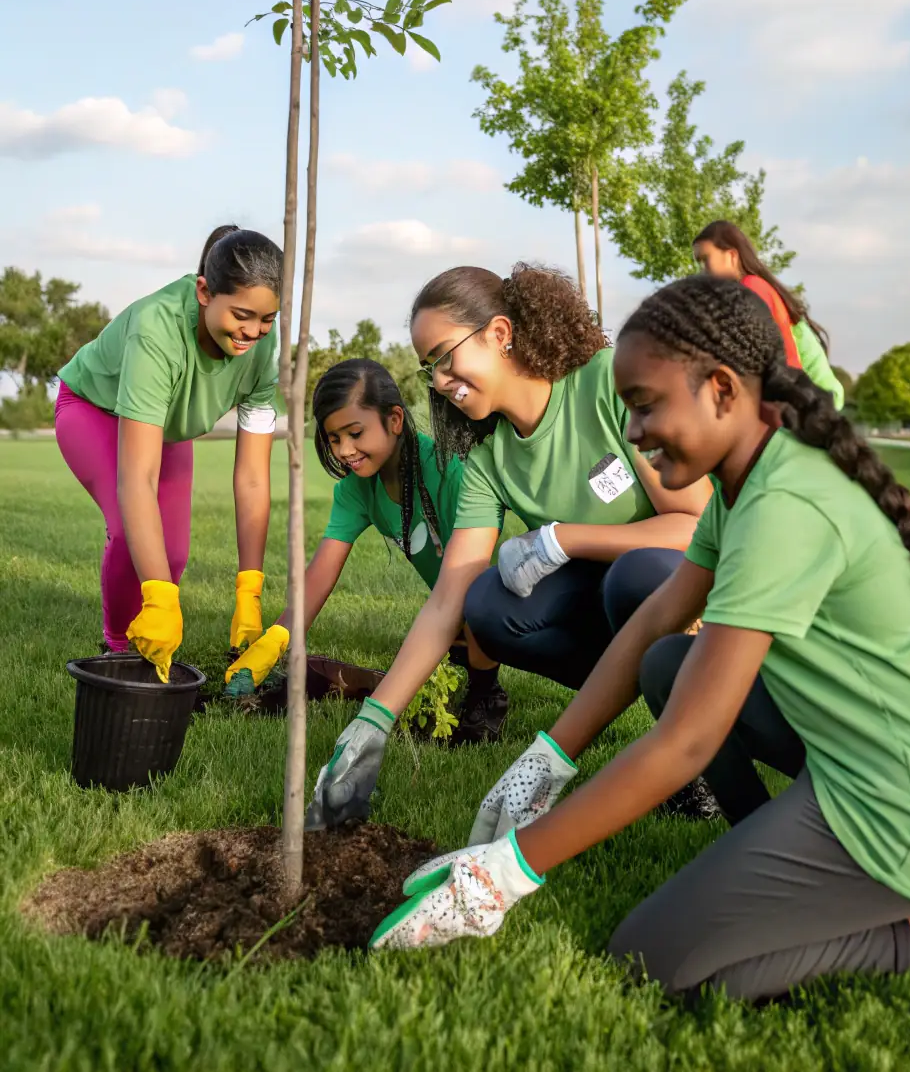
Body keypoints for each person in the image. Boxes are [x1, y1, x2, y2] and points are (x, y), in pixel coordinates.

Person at [369, 275, 910, 1007]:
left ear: (719, 388)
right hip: (859, 762)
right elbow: (652, 623)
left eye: (646, 408)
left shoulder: (783, 502)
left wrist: (508, 869)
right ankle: (772, 862)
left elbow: (687, 739)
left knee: (654, 960)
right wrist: (546, 756)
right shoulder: (747, 481)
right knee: (668, 660)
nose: (637, 431)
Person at [303, 263, 713, 832]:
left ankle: (698, 733)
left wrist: (562, 537)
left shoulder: (605, 383)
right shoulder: (488, 457)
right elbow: (449, 598)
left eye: (447, 356)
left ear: (499, 333)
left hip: (688, 589)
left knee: (634, 575)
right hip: (610, 599)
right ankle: (649, 699)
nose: (441, 380)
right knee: (489, 607)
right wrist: (374, 722)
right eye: (430, 369)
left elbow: (697, 527)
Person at [223, 358, 502, 741]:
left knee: (477, 610)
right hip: (448, 614)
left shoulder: (447, 469)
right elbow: (321, 572)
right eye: (334, 438)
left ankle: (489, 695)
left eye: (355, 433)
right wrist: (279, 637)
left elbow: (476, 571)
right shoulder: (356, 489)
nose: (344, 450)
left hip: (493, 603)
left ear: (395, 421)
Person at [55, 226, 283, 681]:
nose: (253, 332)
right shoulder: (156, 327)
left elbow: (254, 477)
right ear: (203, 291)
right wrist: (160, 600)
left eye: (267, 320)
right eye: (242, 315)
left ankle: (149, 637)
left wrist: (249, 590)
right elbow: (136, 479)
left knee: (172, 553)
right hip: (94, 409)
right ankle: (120, 650)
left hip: (169, 428)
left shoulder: (261, 346)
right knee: (129, 531)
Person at [693, 219, 845, 409]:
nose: (702, 271)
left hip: (811, 401)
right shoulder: (753, 289)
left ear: (731, 256)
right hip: (806, 397)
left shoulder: (752, 289)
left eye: (705, 260)